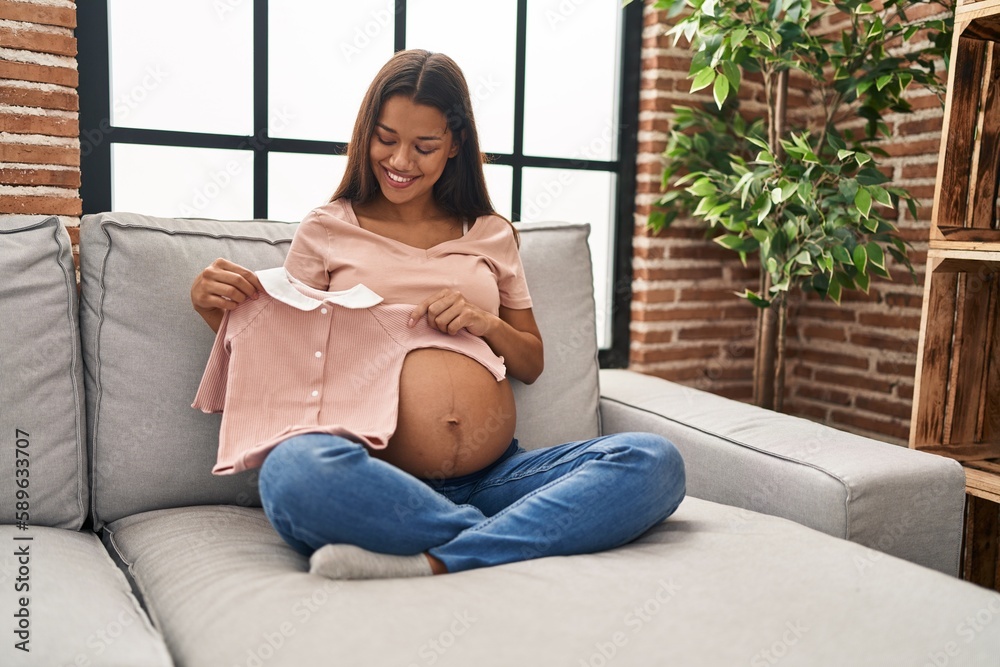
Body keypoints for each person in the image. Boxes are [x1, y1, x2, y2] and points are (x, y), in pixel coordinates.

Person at [189, 48, 685, 579]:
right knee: (292, 474)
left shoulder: (492, 233)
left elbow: (532, 362)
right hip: (379, 474)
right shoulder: (327, 229)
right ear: (365, 135)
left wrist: (486, 322)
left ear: (454, 145)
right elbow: (286, 349)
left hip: (499, 475)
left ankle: (437, 553)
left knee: (654, 461)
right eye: (386, 139)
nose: (401, 162)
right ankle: (510, 534)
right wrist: (213, 310)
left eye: (424, 146)